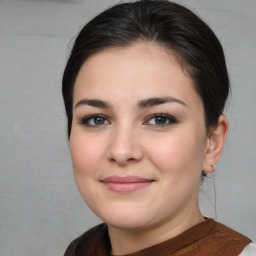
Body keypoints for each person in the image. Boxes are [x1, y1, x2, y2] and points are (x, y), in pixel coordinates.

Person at [62, 0, 256, 255]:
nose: (121, 151)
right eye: (97, 119)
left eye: (159, 119)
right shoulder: (81, 249)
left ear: (212, 143)